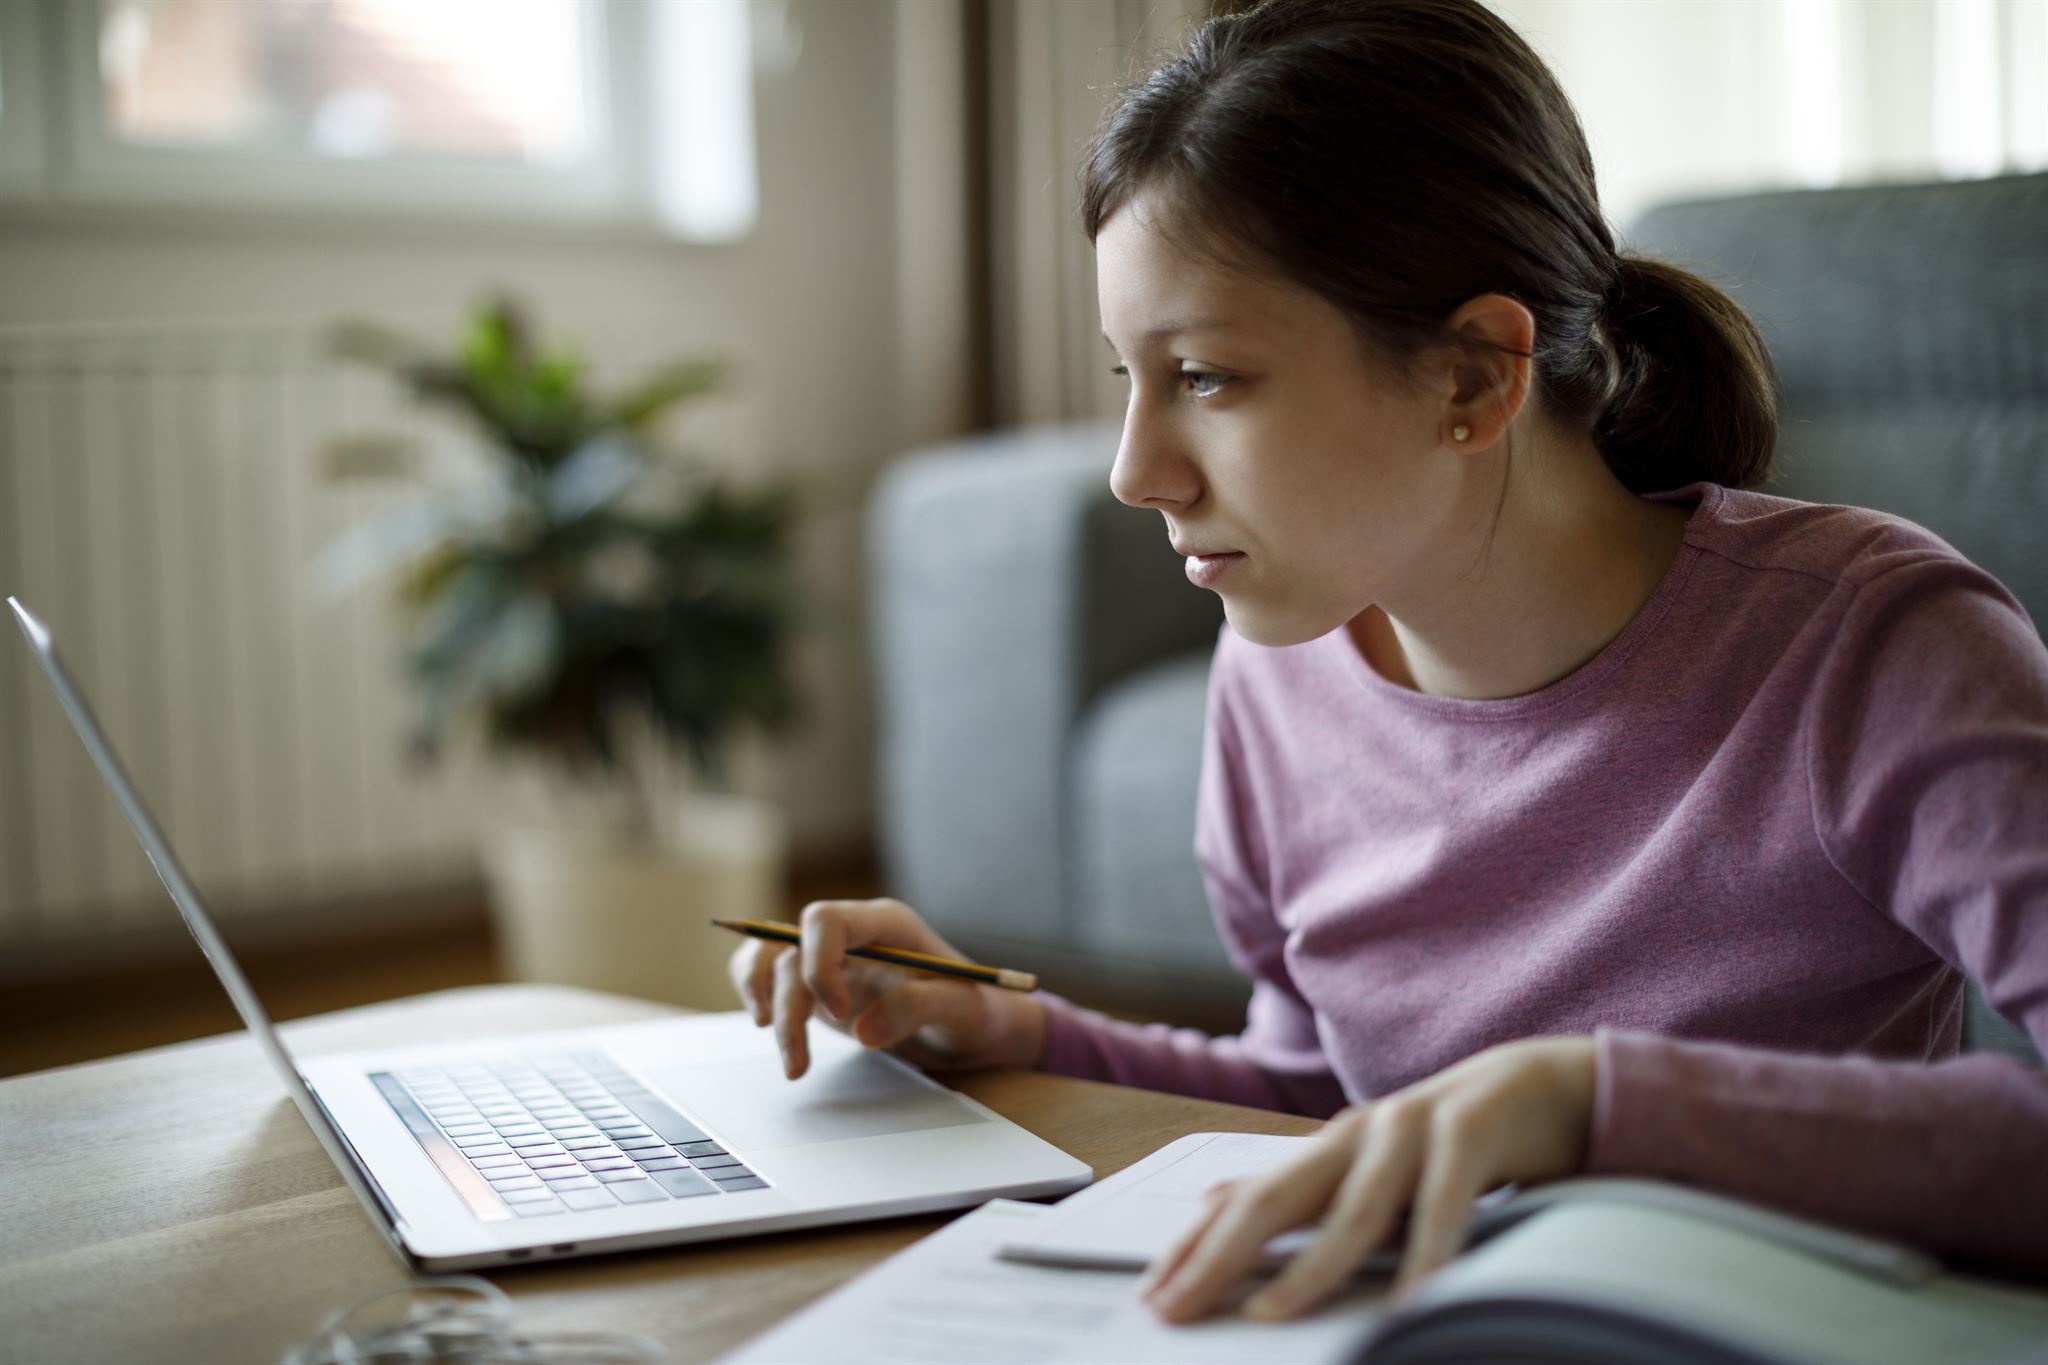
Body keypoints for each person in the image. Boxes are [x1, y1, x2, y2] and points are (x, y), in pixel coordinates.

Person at [728, 0, 2048, 1323]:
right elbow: (1332, 1104)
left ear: (1475, 376)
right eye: (1129, 375)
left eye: (1207, 377)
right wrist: (1018, 1032)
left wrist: (1586, 1105)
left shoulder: (1878, 647)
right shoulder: (1275, 683)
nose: (1138, 471)